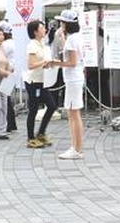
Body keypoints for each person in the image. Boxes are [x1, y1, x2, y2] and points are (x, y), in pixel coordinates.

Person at [49, 10, 85, 160]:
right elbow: (72, 56)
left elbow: (71, 62)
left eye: (62, 23)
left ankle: (76, 148)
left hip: (72, 78)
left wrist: (55, 62)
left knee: (73, 114)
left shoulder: (72, 40)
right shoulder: (76, 38)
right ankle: (76, 147)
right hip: (76, 78)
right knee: (73, 114)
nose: (60, 25)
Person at [24, 20, 57, 148]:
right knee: (33, 110)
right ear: (35, 32)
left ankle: (41, 133)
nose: (44, 30)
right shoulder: (32, 45)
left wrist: (51, 62)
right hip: (33, 82)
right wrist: (45, 62)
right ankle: (30, 138)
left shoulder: (42, 44)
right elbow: (31, 65)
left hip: (42, 81)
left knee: (52, 106)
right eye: (42, 28)